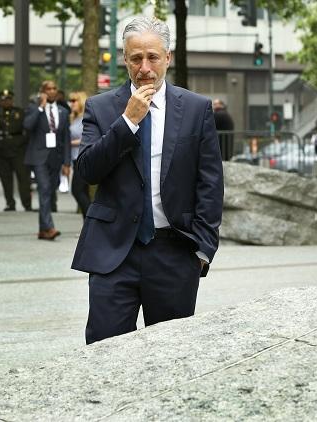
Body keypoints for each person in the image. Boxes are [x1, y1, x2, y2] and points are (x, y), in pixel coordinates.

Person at [72, 17, 224, 345]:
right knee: (103, 352)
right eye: (136, 58)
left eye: (152, 57)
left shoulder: (198, 109)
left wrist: (203, 249)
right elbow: (87, 171)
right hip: (113, 252)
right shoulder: (101, 108)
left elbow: (210, 183)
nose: (145, 68)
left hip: (175, 252)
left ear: (167, 57)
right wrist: (128, 121)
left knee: (170, 355)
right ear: (125, 59)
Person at [23, 80, 71, 240]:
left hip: (55, 157)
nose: (51, 91)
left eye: (54, 88)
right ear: (42, 91)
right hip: (38, 157)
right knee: (44, 189)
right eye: (48, 89)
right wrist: (40, 107)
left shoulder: (64, 111)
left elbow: (66, 138)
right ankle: (49, 227)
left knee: (49, 192)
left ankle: (43, 230)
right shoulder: (33, 108)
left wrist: (66, 162)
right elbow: (28, 126)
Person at [0, 89, 32, 212]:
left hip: (18, 149)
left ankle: (27, 203)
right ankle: (10, 203)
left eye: (8, 99)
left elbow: (27, 129)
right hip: (2, 149)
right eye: (3, 100)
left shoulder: (19, 112)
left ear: (12, 100)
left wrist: (22, 142)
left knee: (23, 178)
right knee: (5, 178)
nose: (6, 102)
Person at [69, 91, 90, 218]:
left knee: (77, 191)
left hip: (82, 158)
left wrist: (70, 143)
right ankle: (87, 226)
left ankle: (90, 224)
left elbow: (88, 138)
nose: (71, 104)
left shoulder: (85, 117)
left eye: (74, 101)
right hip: (74, 158)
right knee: (83, 192)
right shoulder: (74, 118)